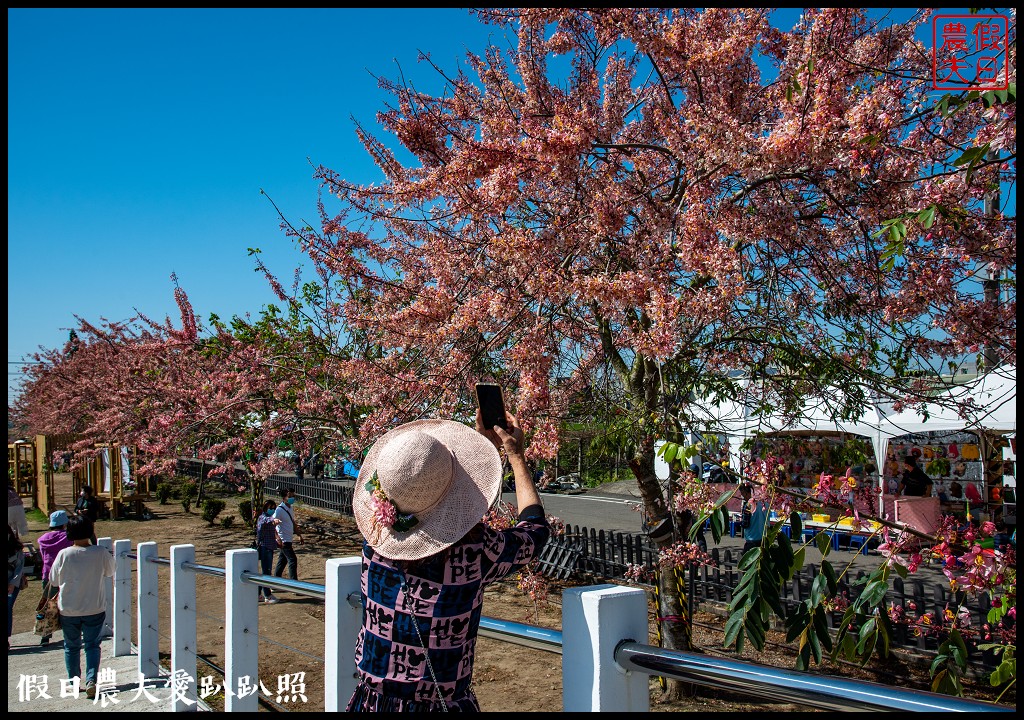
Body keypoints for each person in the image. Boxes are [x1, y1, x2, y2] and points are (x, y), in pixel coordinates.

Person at [346, 410, 549, 711]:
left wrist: (483, 446)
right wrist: (515, 456)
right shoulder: (475, 552)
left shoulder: (375, 542)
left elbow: (433, 497)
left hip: (371, 702)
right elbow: (535, 533)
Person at [49, 515, 115, 698]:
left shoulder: (64, 554)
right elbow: (111, 571)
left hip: (69, 608)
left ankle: (74, 682)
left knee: (71, 646)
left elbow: (53, 580)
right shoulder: (100, 552)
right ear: (90, 531)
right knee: (92, 645)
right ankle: (91, 679)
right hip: (94, 607)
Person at [35, 510, 73, 645]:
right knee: (66, 605)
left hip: (48, 575)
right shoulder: (67, 537)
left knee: (48, 605)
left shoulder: (43, 539)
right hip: (65, 575)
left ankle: (45, 636)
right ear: (65, 524)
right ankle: (69, 633)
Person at [273, 488, 304, 581]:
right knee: (292, 560)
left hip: (288, 538)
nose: (292, 498)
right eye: (290, 496)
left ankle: (275, 582)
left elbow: (292, 522)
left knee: (282, 561)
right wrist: (277, 537)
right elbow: (272, 523)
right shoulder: (279, 510)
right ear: (284, 498)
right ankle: (294, 584)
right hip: (284, 539)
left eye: (293, 496)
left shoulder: (290, 508)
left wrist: (299, 535)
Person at [254, 500, 281, 604]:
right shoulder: (262, 518)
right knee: (266, 572)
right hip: (265, 548)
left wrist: (277, 539)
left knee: (265, 572)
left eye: (274, 508)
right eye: (270, 508)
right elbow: (267, 520)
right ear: (265, 508)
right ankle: (267, 595)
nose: (272, 510)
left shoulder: (265, 517)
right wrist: (273, 520)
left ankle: (258, 594)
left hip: (269, 547)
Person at [8, 525, 27, 651]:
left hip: (12, 584)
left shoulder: (17, 549)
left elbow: (19, 569)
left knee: (7, 608)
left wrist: (12, 584)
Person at [739, 483, 769, 555]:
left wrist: (741, 520)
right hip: (763, 539)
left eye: (742, 494)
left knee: (747, 564)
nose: (742, 496)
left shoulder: (748, 506)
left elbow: (745, 524)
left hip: (752, 540)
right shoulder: (765, 504)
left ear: (746, 493)